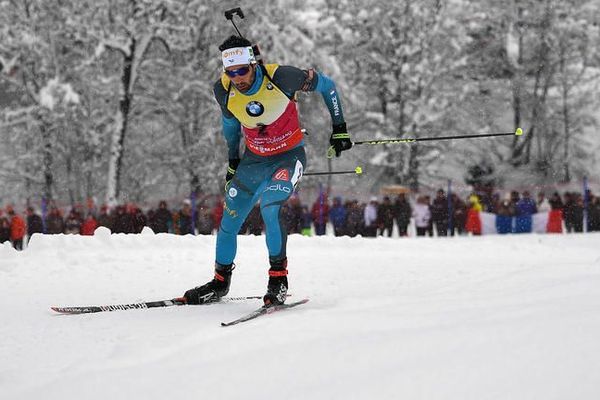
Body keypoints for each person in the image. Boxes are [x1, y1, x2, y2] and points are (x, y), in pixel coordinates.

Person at [183, 35, 351, 306]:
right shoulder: (223, 90)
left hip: (288, 157)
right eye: (231, 71)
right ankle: (220, 282)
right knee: (229, 221)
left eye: (242, 70)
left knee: (270, 209)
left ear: (253, 63)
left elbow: (328, 87)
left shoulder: (282, 77)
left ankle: (278, 279)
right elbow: (230, 126)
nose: (237, 77)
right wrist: (232, 161)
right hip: (253, 162)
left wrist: (340, 128)